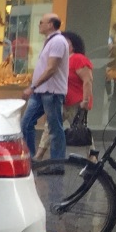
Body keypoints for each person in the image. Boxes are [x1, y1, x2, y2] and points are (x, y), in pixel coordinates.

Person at [21, 13, 70, 166]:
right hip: (41, 91)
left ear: (50, 24)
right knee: (26, 123)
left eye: (41, 22)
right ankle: (30, 158)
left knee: (55, 128)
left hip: (51, 92)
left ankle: (57, 163)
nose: (39, 25)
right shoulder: (50, 41)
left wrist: (33, 86)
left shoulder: (58, 42)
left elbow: (51, 69)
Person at [36, 30, 93, 158]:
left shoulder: (78, 59)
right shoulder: (63, 60)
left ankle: (92, 155)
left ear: (72, 45)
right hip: (64, 100)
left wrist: (85, 100)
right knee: (50, 126)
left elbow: (87, 80)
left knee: (80, 130)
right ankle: (39, 154)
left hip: (76, 102)